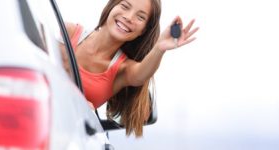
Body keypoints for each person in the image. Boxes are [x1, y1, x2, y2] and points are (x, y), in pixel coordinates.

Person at [60, 0, 199, 137]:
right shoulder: (67, 33)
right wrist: (75, 99)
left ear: (143, 30)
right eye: (125, 6)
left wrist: (160, 48)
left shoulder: (122, 69)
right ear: (111, 6)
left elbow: (140, 75)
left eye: (140, 17)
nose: (129, 17)